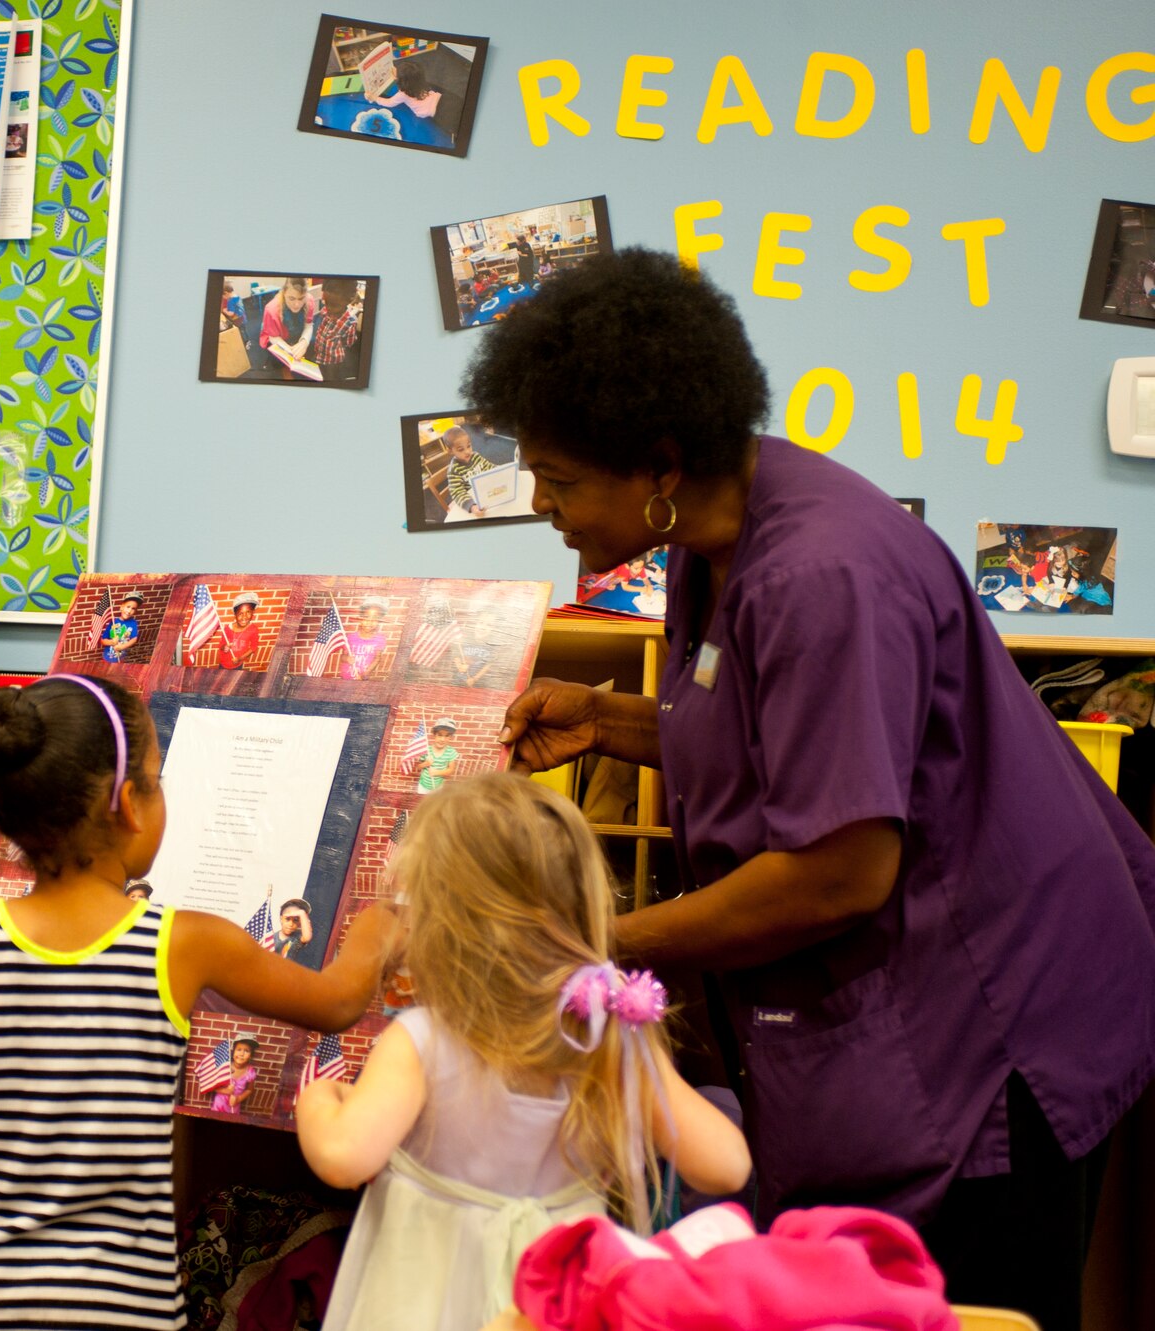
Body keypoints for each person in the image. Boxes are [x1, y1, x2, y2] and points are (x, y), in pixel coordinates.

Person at [476, 247, 1155, 1331]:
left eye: (556, 478)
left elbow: (839, 869)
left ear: (655, 462)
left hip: (994, 1019)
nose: (541, 504)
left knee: (962, 1306)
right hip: (924, 993)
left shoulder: (816, 571)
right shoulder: (715, 534)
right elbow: (777, 741)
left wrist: (597, 937)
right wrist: (606, 719)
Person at [0, 674, 401, 1330]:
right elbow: (340, 1001)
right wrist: (377, 931)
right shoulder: (181, 942)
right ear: (130, 805)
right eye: (157, 776)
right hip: (116, 1302)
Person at [297, 774, 751, 1327]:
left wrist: (319, 1103)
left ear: (444, 927)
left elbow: (345, 1158)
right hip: (553, 1303)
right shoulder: (609, 1037)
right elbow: (728, 1167)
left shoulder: (421, 1040)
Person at [259, 277, 315, 378]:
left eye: (301, 298)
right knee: (277, 363)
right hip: (276, 335)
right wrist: (289, 350)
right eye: (291, 298)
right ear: (284, 292)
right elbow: (273, 336)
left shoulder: (309, 300)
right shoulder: (271, 309)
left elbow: (309, 325)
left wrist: (304, 342)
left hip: (294, 332)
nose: (297, 304)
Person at [311, 277, 363, 383]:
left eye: (334, 305)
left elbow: (349, 342)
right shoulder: (326, 310)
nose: (329, 308)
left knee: (330, 380)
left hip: (332, 362)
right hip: (319, 355)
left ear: (349, 300)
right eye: (326, 302)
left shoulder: (349, 322)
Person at [341, 597, 389, 679]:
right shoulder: (351, 637)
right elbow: (342, 657)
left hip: (362, 678)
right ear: (360, 620)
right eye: (366, 617)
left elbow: (377, 659)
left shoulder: (380, 639)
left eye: (375, 619)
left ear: (379, 621)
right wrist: (347, 659)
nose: (369, 622)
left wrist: (364, 674)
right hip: (346, 677)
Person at [212, 1038, 264, 1114]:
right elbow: (212, 1086)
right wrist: (226, 1091)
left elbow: (250, 1090)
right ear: (233, 1053)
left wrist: (238, 1098)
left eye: (246, 1051)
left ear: (250, 1056)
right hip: (219, 1106)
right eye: (239, 1049)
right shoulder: (225, 1067)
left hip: (233, 1108)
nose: (242, 1054)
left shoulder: (250, 1072)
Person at [215, 590, 263, 669]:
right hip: (223, 664)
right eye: (240, 613)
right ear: (235, 614)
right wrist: (224, 647)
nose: (244, 617)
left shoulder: (253, 629)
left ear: (253, 612)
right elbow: (221, 645)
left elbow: (253, 647)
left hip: (238, 664)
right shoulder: (227, 628)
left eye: (248, 612)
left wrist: (240, 659)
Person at [416, 720, 462, 792]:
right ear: (434, 735)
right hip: (423, 786)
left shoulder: (451, 752)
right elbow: (418, 767)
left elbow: (450, 770)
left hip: (437, 787)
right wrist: (426, 764)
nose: (442, 739)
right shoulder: (426, 750)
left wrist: (436, 772)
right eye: (439, 735)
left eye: (447, 736)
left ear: (450, 737)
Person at [101, 590, 143, 662]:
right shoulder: (113, 622)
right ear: (121, 607)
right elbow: (103, 640)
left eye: (133, 609)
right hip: (107, 658)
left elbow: (134, 639)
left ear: (135, 611)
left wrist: (123, 646)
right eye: (128, 607)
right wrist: (111, 642)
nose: (129, 611)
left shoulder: (133, 623)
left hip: (121, 658)